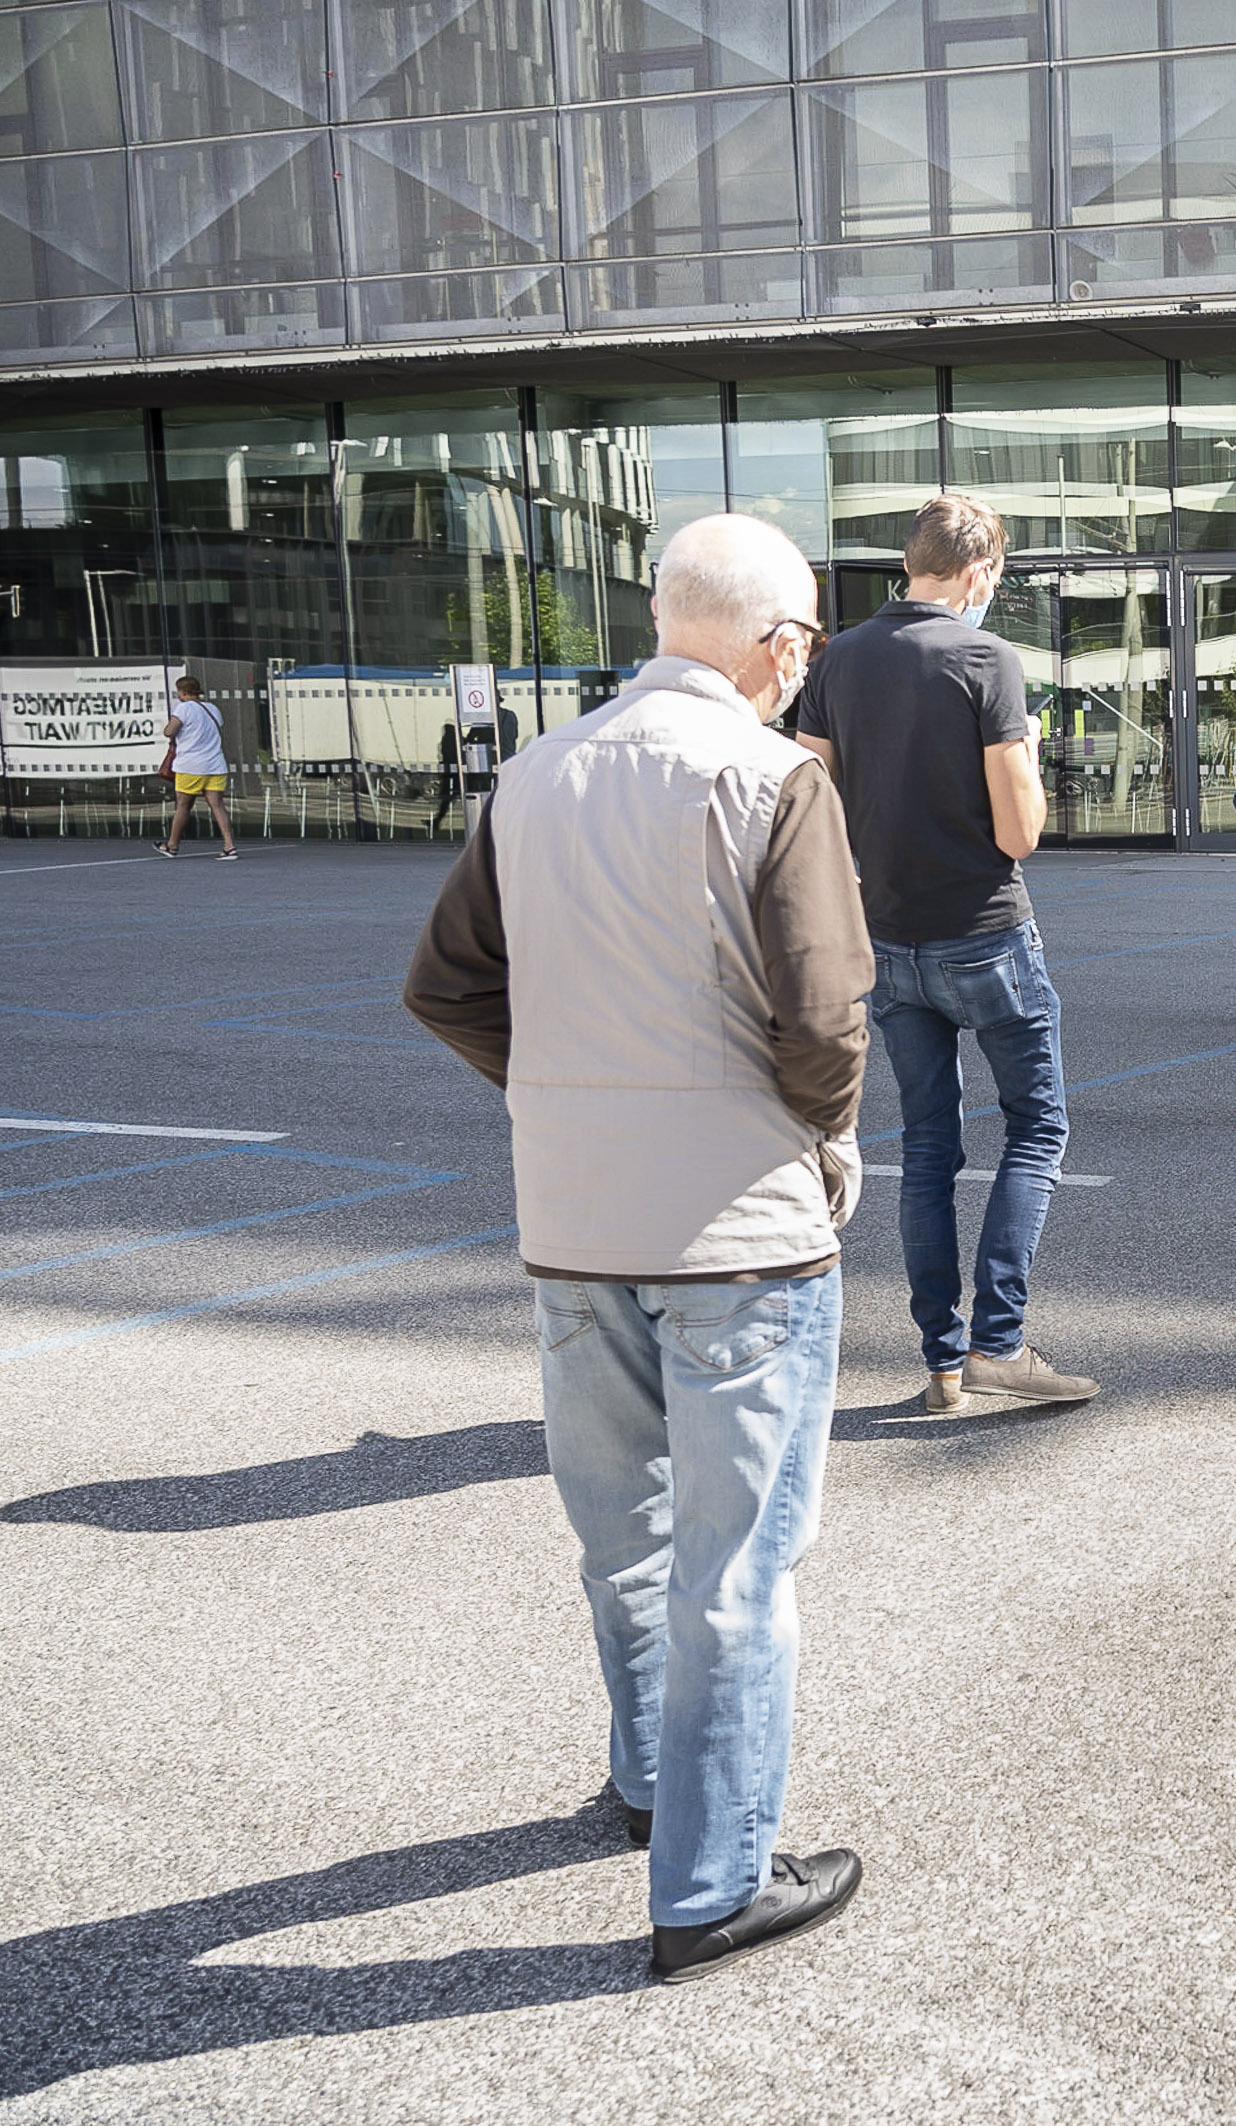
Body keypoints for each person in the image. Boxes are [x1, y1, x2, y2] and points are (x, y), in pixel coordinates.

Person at [402, 512, 872, 1985]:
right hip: (739, 1229)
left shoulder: (535, 773)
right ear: (771, 643)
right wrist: (820, 1138)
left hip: (573, 1221)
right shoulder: (775, 776)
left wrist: (562, 1096)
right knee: (741, 1565)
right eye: (798, 643)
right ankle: (714, 1882)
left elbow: (448, 984)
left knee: (626, 1538)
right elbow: (823, 1022)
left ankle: (649, 1782)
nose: (799, 668)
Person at [789, 494, 1096, 1419]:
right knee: (1036, 1127)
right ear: (976, 572)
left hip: (885, 935)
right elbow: (1020, 832)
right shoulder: (983, 658)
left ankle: (943, 1362)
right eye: (994, 576)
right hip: (985, 930)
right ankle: (1000, 1342)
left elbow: (810, 799)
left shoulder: (838, 658)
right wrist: (1028, 755)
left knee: (927, 1146)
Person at [157, 673, 238, 860]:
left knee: (183, 806)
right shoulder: (213, 708)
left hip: (191, 766)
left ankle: (172, 846)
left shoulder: (184, 708)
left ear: (182, 692)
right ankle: (229, 846)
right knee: (218, 806)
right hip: (215, 764)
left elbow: (170, 731)